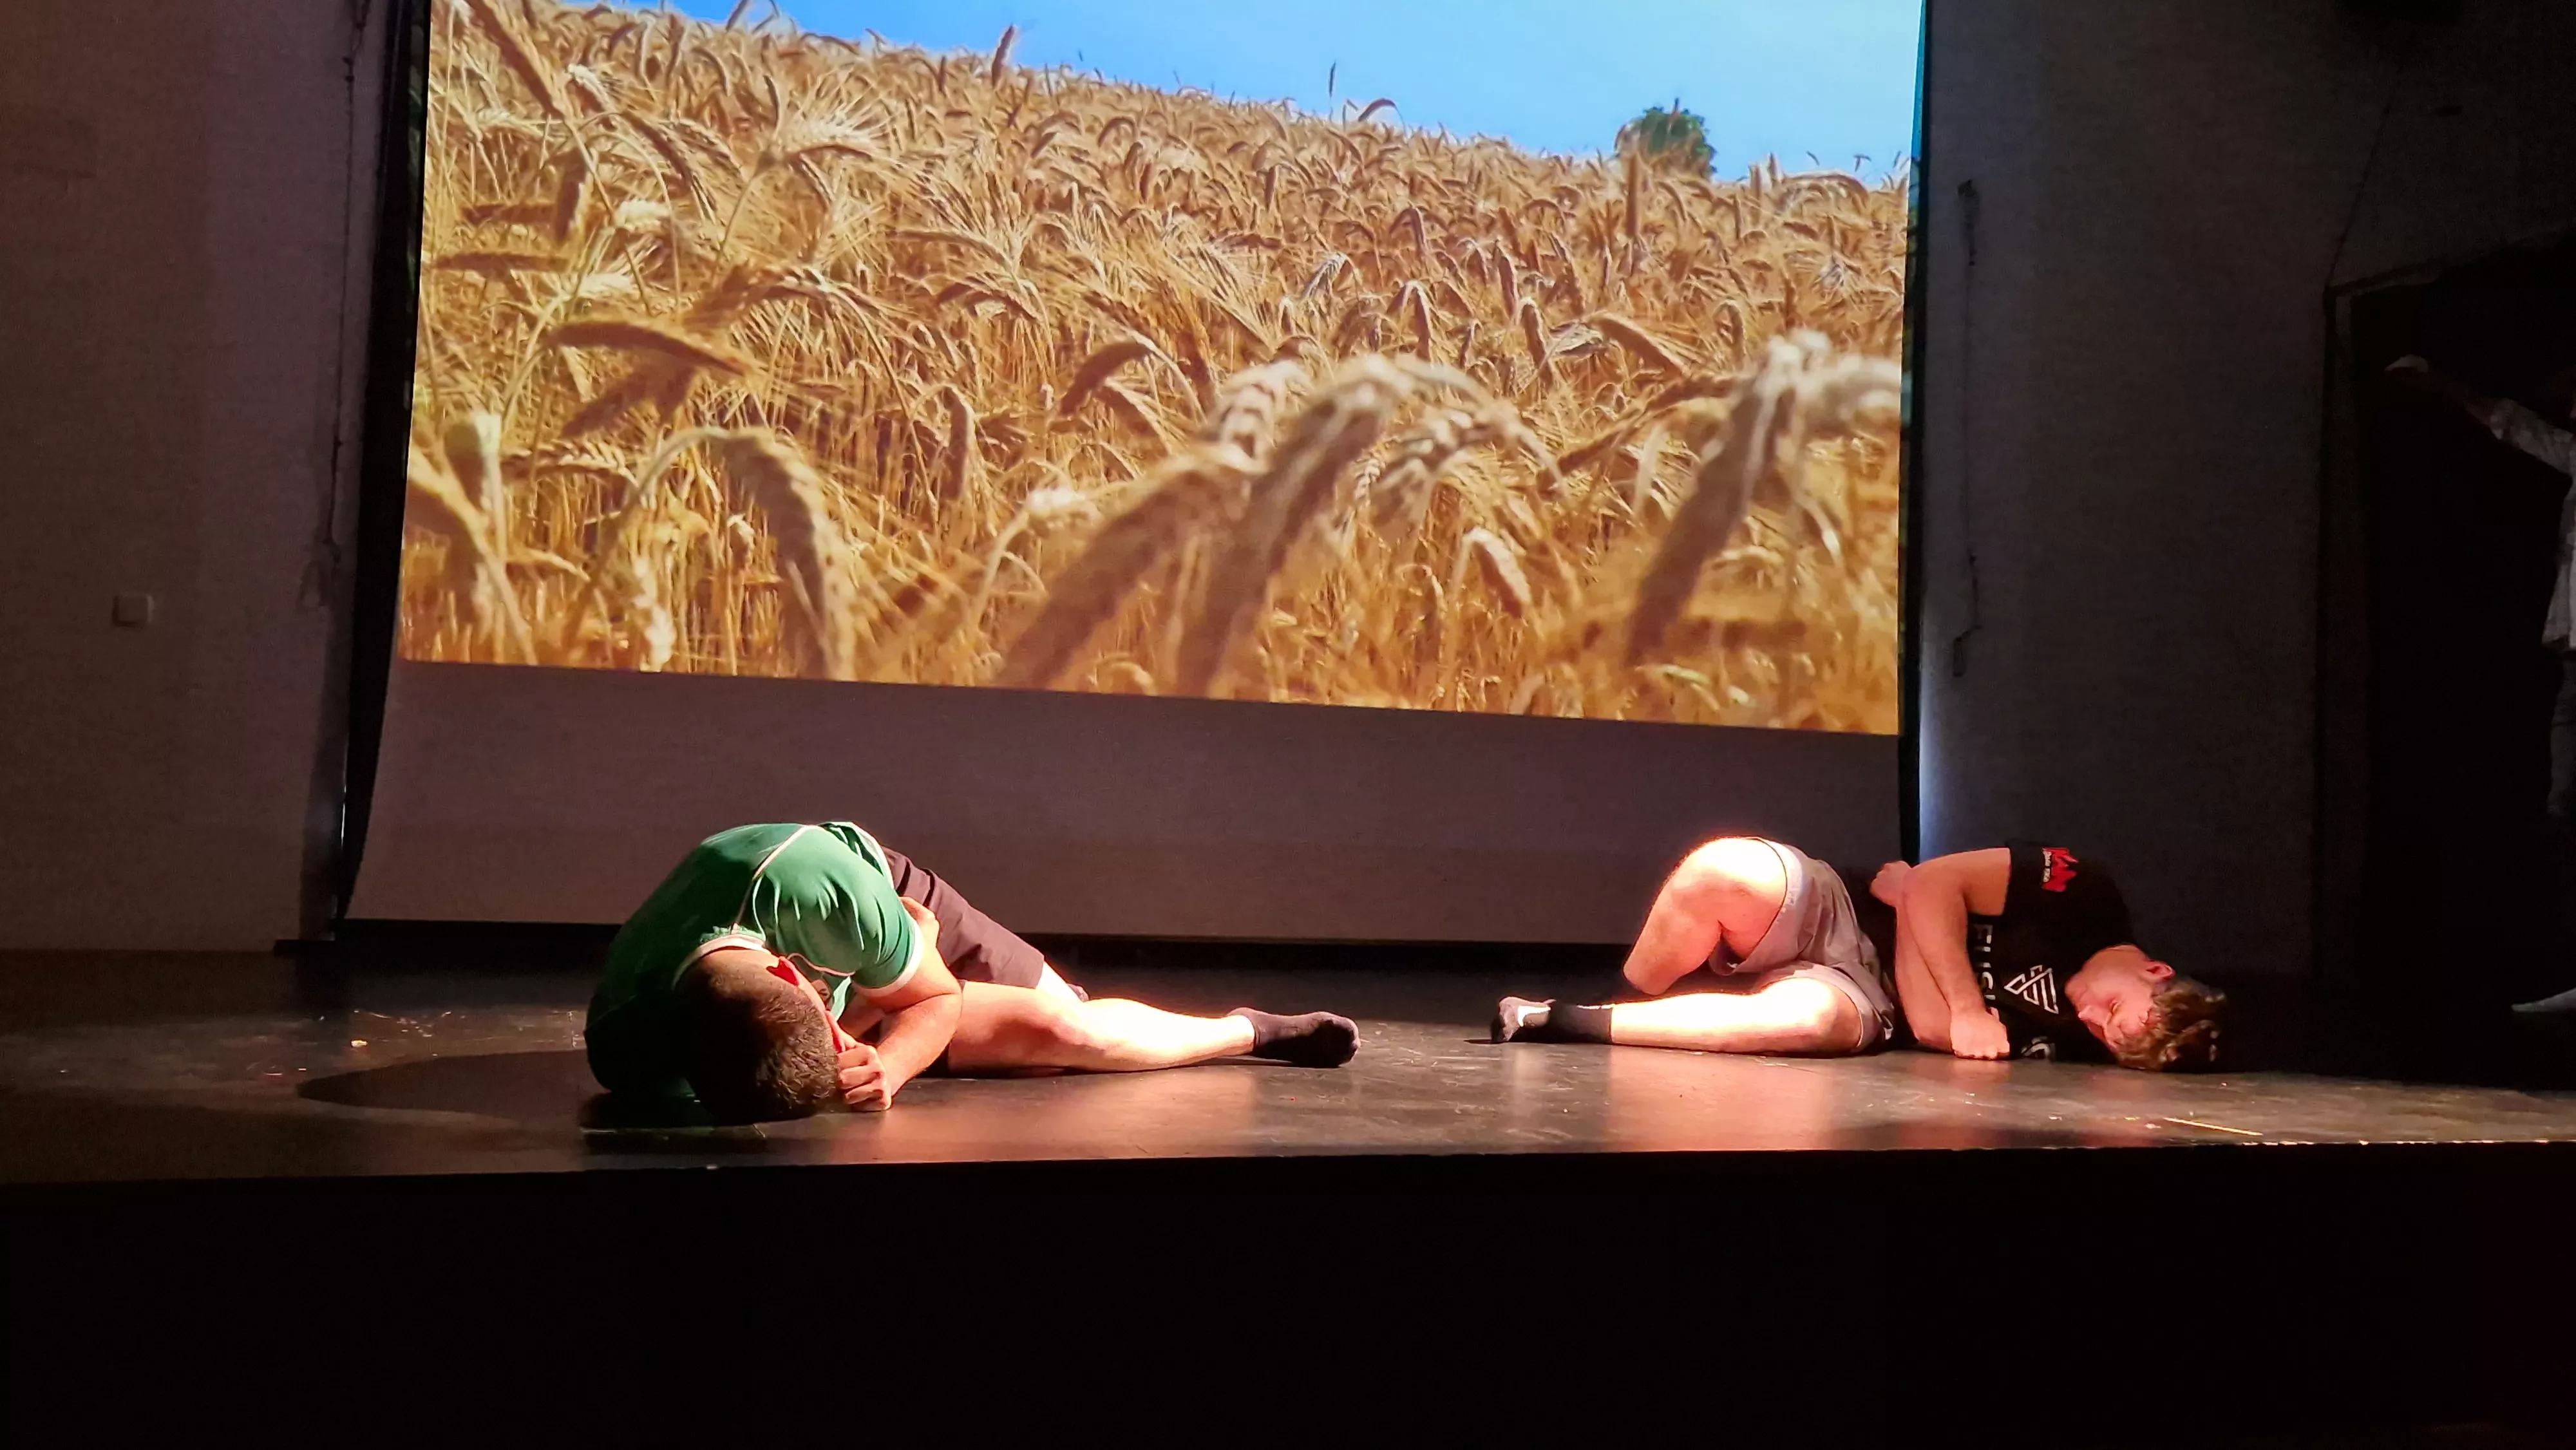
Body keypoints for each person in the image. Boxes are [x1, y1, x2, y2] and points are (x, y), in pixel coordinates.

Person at [587, 822, 1359, 1122]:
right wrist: (849, 1031)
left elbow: (934, 996)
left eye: (830, 1015)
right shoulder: (628, 1047)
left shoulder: (836, 896)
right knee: (1056, 1039)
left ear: (800, 980)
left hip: (882, 898)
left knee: (1070, 1017)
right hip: (831, 979)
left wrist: (887, 1064)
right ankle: (1248, 1037)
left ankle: (1244, 1025)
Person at [1492, 836, 2226, 1070]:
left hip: (1866, 996)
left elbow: (1933, 1029)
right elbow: (1943, 883)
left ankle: (1562, 1020)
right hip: (1840, 910)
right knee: (1721, 871)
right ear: (2152, 969)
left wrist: (1921, 903)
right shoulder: (2083, 893)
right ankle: (1627, 994)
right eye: (2113, 1006)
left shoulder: (2086, 1035)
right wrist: (1962, 994)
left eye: (2103, 1031)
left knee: (1802, 1024)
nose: (2090, 1016)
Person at [2389, 355, 2576, 1013]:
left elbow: (2517, 426)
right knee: (2563, 807)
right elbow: (2516, 426)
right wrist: (2444, 387)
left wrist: (2447, 385)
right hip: (2571, 667)